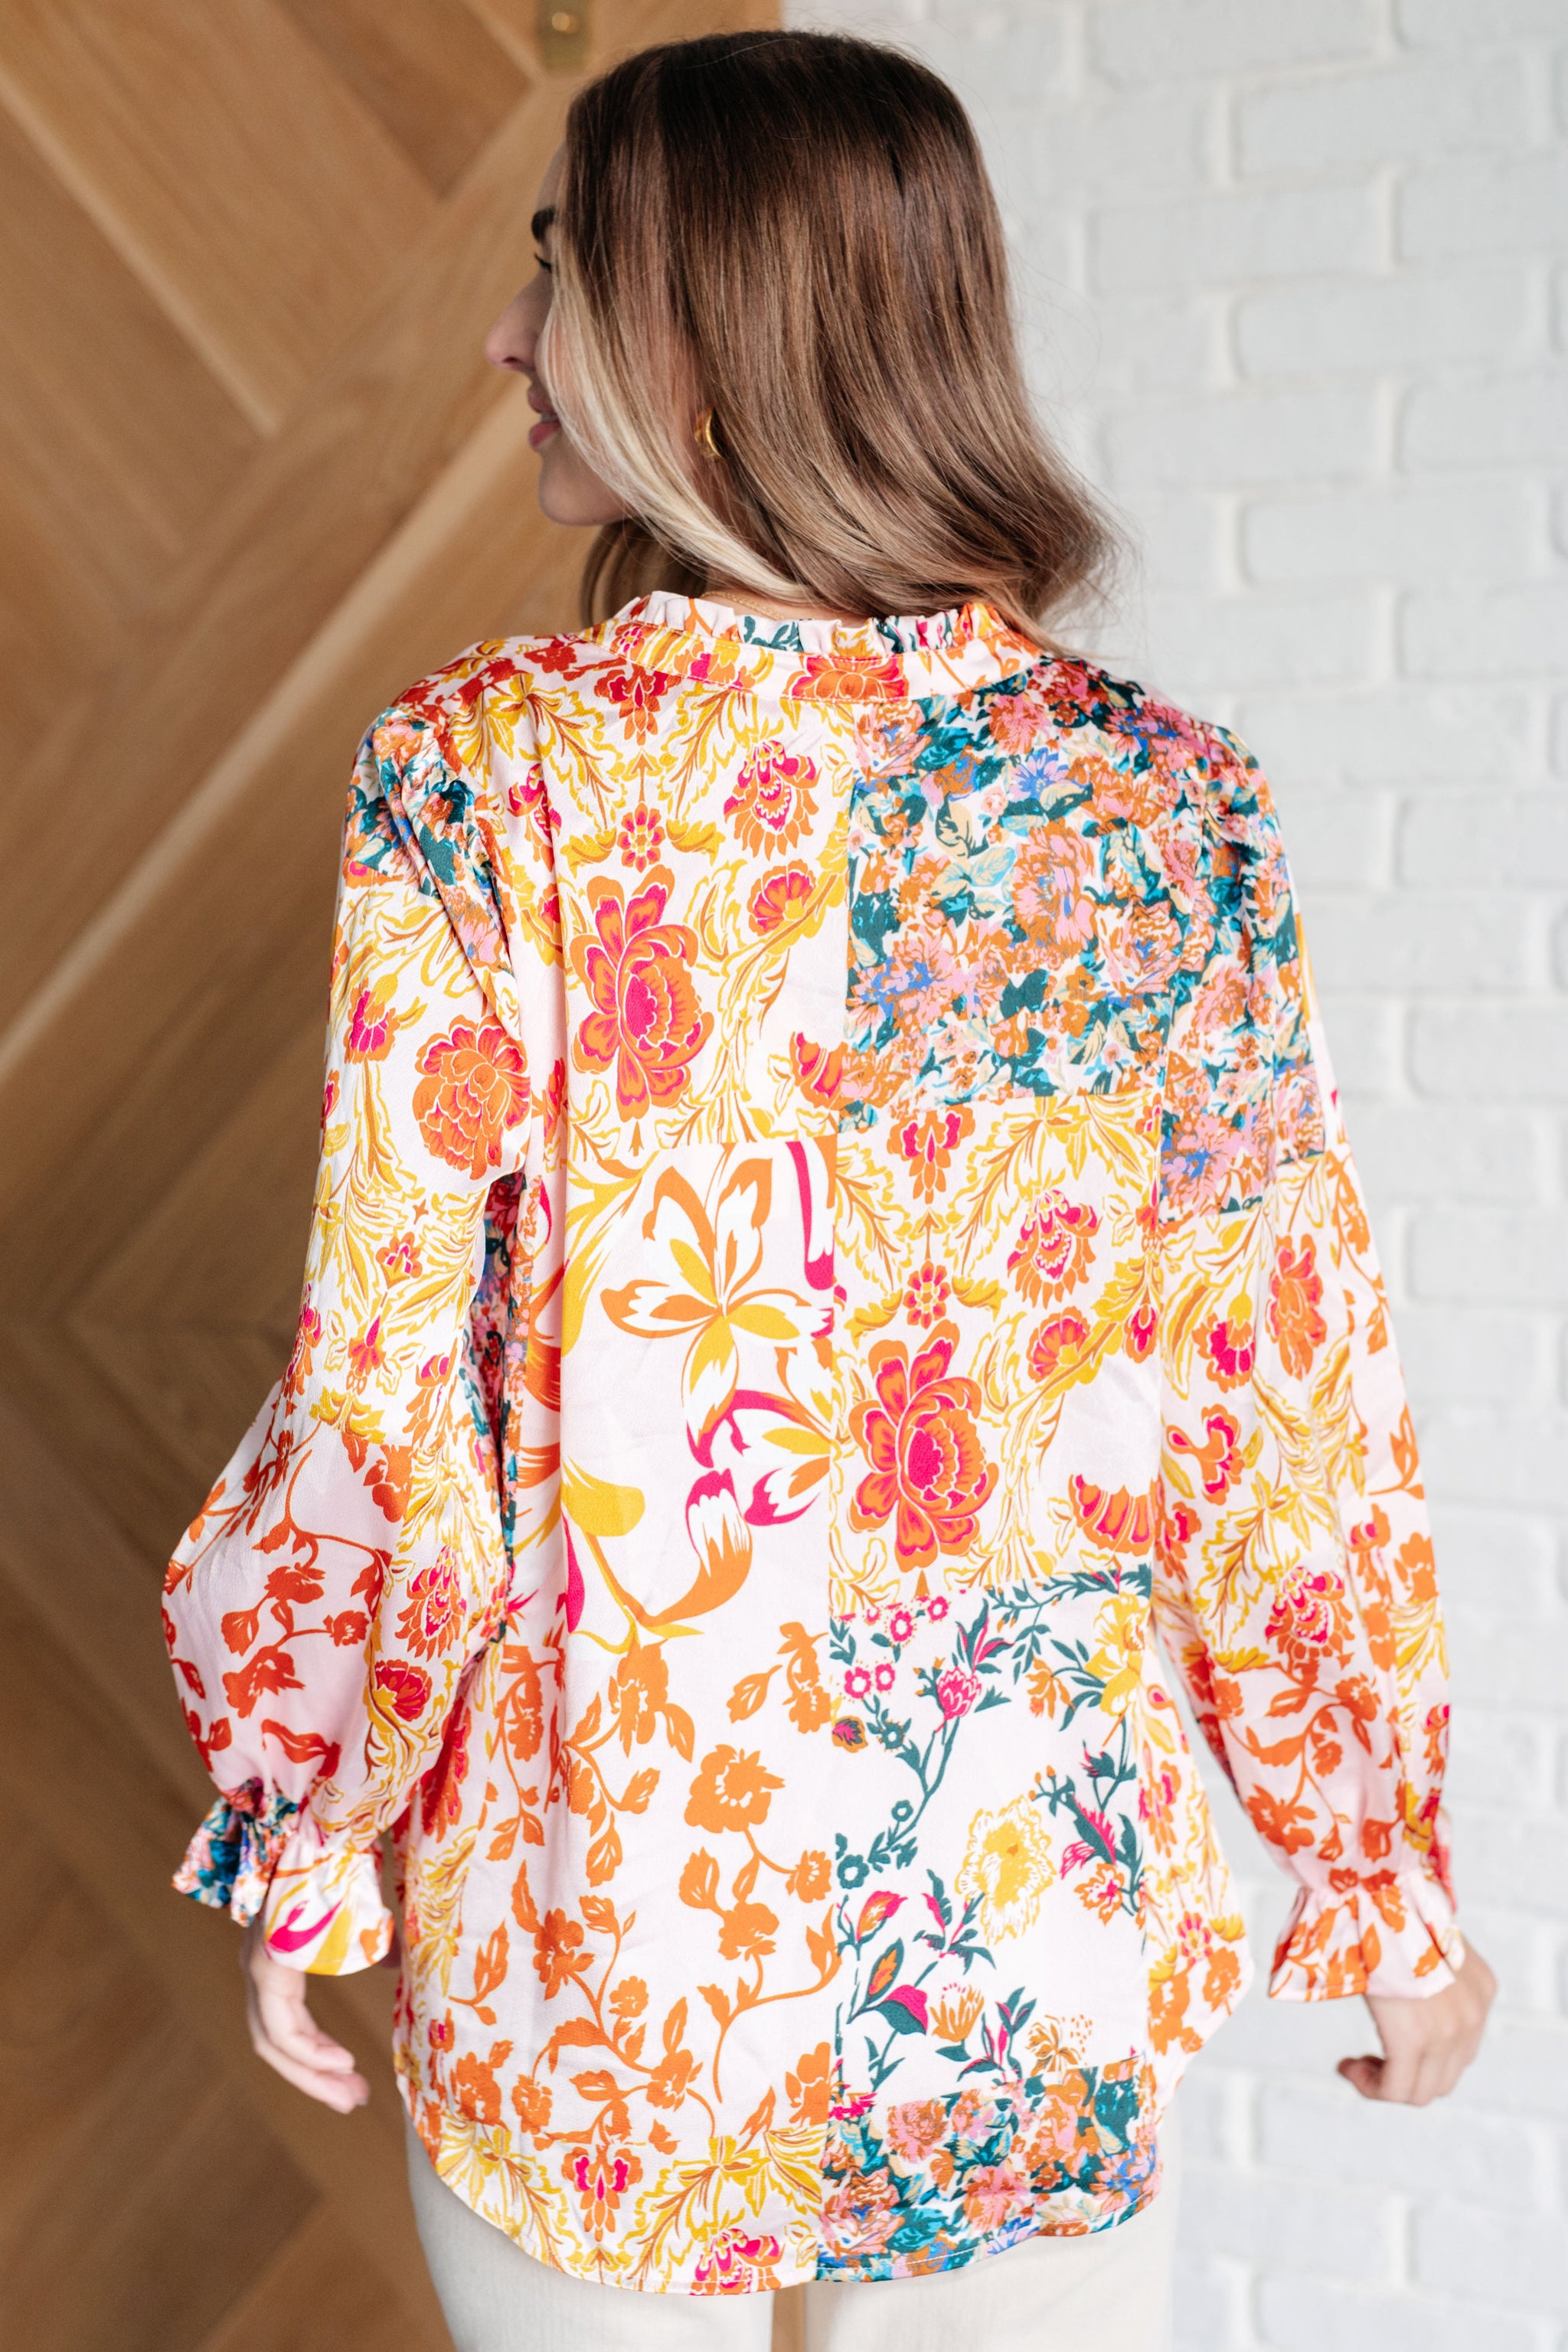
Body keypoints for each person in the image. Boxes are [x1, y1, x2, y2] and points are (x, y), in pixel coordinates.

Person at [162, 30, 1494, 2350]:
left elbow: (394, 1384)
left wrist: (312, 1812)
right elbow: (1278, 1393)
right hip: (1028, 1932)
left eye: (562, 267)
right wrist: (1370, 1867)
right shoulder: (1162, 810)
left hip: (607, 1937)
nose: (508, 334)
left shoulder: (490, 779)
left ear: (699, 341)